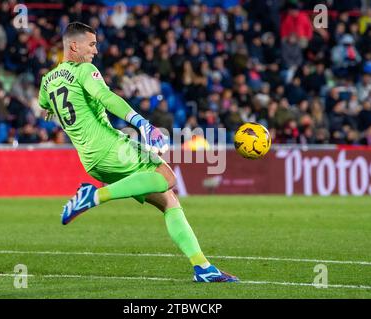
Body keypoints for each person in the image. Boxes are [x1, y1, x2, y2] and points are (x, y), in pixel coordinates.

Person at [38, 22, 238, 283]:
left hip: (90, 160)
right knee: (167, 177)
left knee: (168, 201)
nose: (95, 51)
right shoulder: (84, 70)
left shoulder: (47, 81)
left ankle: (202, 267)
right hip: (109, 146)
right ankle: (94, 196)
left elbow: (44, 106)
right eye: (92, 44)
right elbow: (106, 98)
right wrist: (141, 122)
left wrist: (53, 109)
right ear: (74, 46)